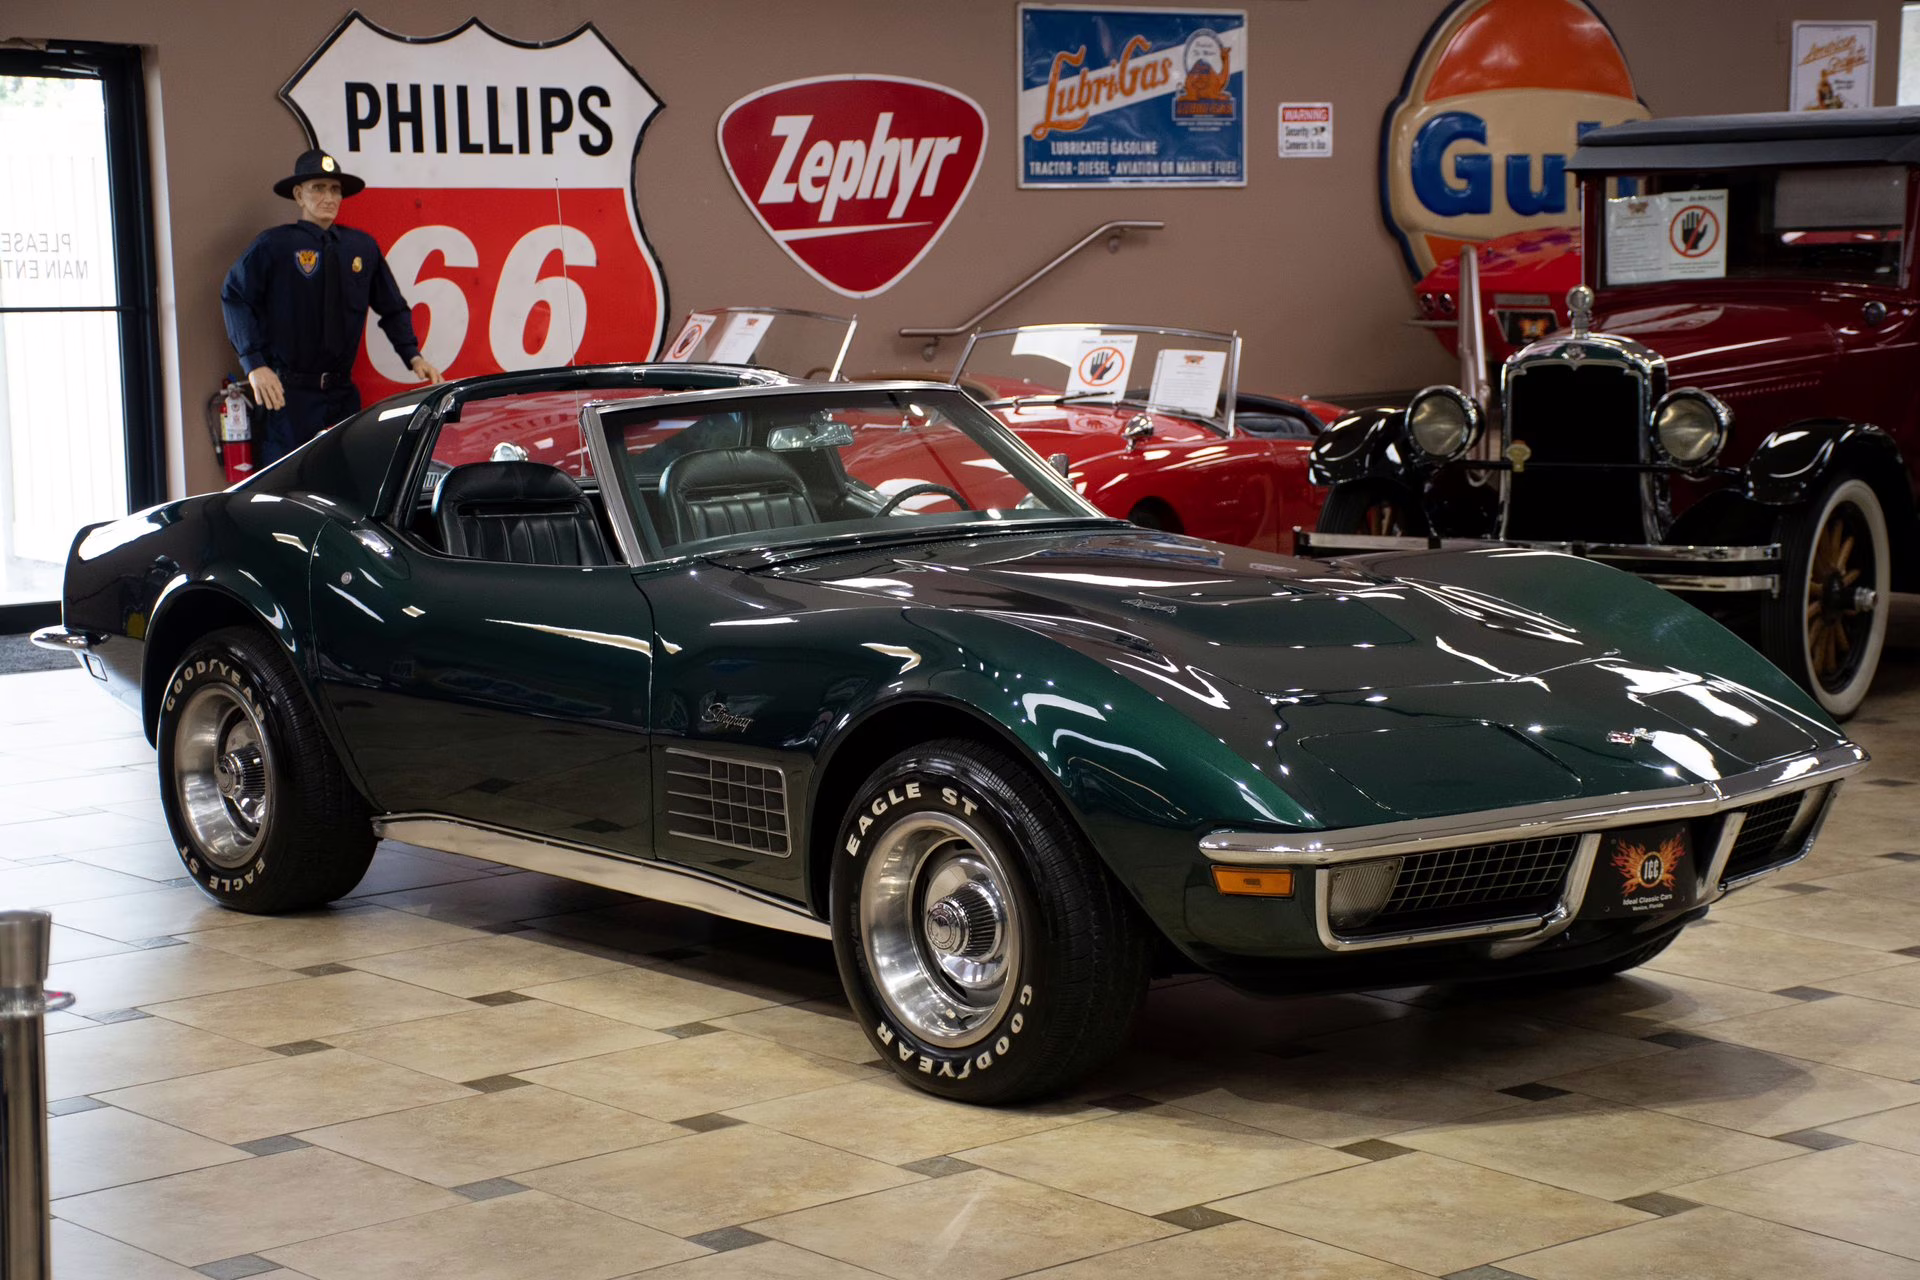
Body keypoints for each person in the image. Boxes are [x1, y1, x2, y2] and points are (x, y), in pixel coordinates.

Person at [220, 149, 443, 468]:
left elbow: (391, 305)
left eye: (335, 189)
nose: (329, 196)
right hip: (287, 396)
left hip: (341, 395)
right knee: (286, 485)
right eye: (318, 187)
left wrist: (412, 354)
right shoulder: (275, 246)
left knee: (343, 477)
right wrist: (254, 363)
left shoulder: (360, 248)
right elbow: (234, 295)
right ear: (298, 195)